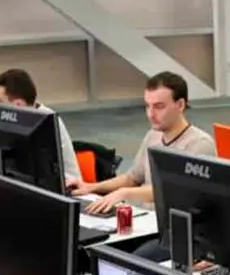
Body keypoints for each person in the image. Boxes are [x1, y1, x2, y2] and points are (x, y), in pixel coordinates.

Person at [69, 71, 215, 214]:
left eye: (159, 106)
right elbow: (132, 178)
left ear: (181, 105)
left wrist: (124, 193)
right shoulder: (153, 135)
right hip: (144, 214)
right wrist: (92, 187)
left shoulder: (199, 144)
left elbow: (177, 192)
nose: (151, 114)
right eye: (147, 106)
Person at [0, 68, 83, 181]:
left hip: (67, 185)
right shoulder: (7, 121)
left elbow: (44, 172)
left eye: (0, 101)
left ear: (18, 105)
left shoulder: (47, 122)